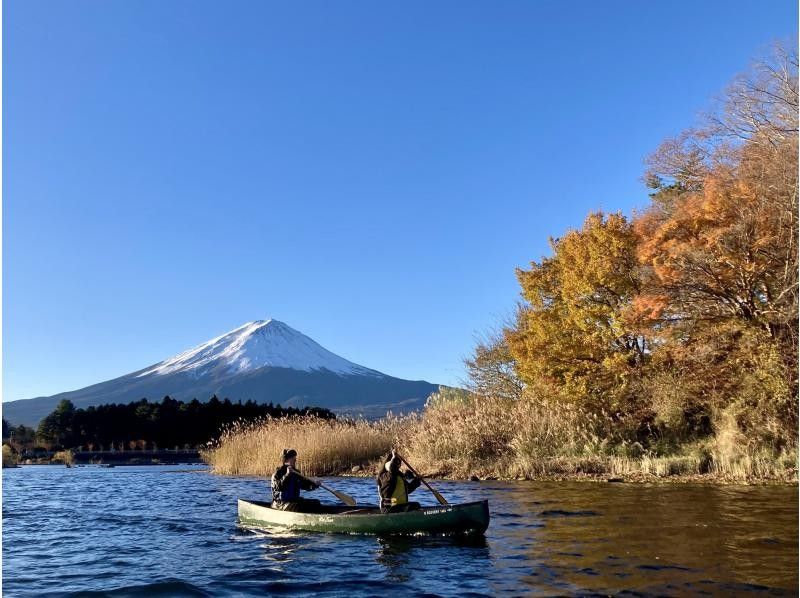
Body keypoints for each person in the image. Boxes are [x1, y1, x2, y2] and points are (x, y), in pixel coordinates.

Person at [376, 449, 422, 513]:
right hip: (389, 508)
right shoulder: (385, 477)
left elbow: (408, 489)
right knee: (414, 506)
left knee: (416, 505)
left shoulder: (400, 477)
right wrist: (394, 456)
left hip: (400, 506)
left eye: (398, 466)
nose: (397, 467)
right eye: (395, 465)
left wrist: (417, 480)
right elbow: (392, 470)